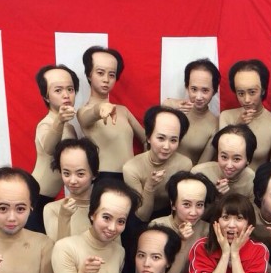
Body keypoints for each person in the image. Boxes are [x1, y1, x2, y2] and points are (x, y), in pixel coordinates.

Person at [77, 46, 146, 180]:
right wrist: (99, 109)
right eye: (100, 73)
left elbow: (147, 139)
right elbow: (87, 117)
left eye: (112, 75)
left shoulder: (123, 110)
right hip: (104, 178)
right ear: (89, 74)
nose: (106, 79)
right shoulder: (84, 111)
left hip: (132, 178)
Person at [28, 64, 79, 233]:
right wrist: (59, 121)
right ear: (46, 96)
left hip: (51, 198)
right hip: (36, 196)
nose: (66, 95)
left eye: (70, 89)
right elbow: (50, 148)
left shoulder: (70, 128)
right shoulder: (46, 124)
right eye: (58, 90)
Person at [123, 105, 192, 223]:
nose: (166, 146)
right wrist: (149, 186)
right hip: (139, 219)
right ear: (148, 137)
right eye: (161, 138)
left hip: (171, 217)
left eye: (173, 140)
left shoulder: (184, 164)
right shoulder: (131, 168)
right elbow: (142, 216)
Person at [150, 171, 217, 273]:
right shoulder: (158, 226)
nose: (193, 212)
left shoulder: (207, 230)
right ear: (173, 204)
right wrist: (182, 241)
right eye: (186, 204)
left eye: (199, 205)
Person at [219, 59, 271, 171]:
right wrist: (237, 126)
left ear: (263, 90)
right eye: (241, 93)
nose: (247, 99)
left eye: (252, 92)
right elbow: (220, 151)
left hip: (257, 181)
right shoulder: (226, 116)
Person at [163, 58, 220, 165]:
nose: (198, 97)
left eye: (205, 90)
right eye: (194, 89)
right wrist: (169, 105)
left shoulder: (215, 125)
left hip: (188, 174)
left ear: (214, 91)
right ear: (187, 87)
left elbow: (201, 166)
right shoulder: (172, 107)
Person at [43, 137, 99, 242]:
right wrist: (64, 217)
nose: (72, 181)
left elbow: (117, 249)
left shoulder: (104, 206)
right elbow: (58, 249)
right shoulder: (52, 209)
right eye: (66, 173)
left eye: (80, 174)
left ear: (94, 174)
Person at [192, 124, 256, 203]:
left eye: (236, 159)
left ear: (248, 159)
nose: (229, 165)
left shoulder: (252, 181)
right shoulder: (199, 174)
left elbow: (252, 210)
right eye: (224, 157)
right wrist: (214, 196)